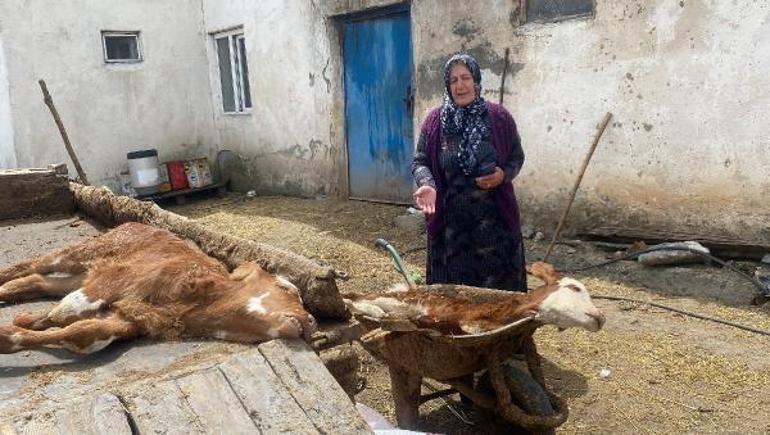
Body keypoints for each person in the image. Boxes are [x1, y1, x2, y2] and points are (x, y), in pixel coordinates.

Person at [411, 53, 527, 291]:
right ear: (447, 85)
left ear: (476, 80)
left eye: (465, 77)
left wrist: (503, 175)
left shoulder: (499, 118)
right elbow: (420, 161)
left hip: (495, 229)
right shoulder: (435, 122)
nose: (460, 85)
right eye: (453, 80)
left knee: (498, 301)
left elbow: (517, 156)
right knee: (453, 303)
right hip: (451, 233)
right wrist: (428, 184)